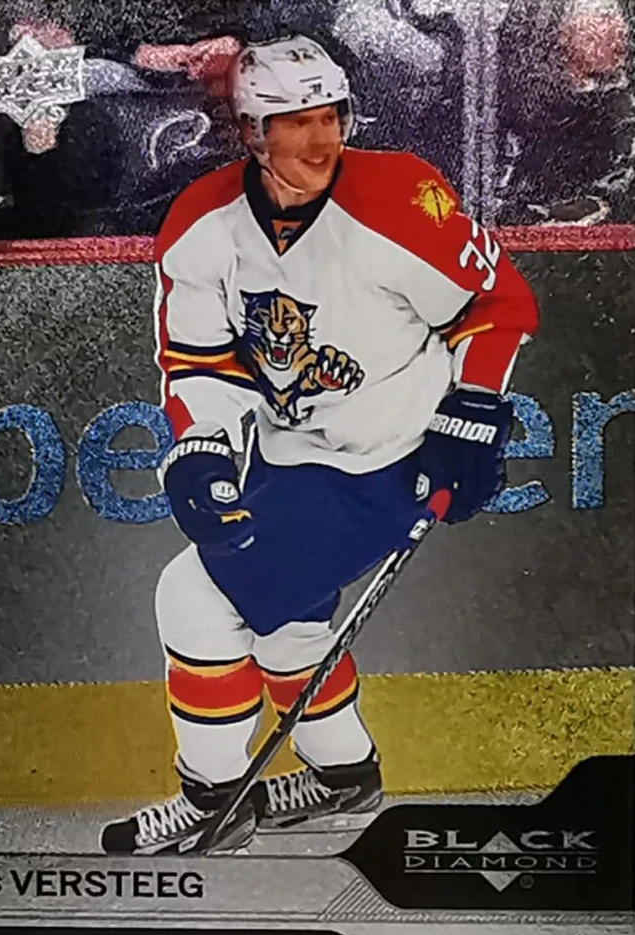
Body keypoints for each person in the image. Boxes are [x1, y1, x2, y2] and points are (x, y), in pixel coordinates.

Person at [101, 34, 539, 856]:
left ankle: (212, 798)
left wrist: (472, 409)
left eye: (330, 116)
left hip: (389, 455)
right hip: (287, 453)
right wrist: (202, 447)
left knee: (194, 596)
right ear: (248, 132)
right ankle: (343, 774)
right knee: (287, 627)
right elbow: (199, 360)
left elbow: (496, 302)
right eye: (292, 122)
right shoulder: (201, 222)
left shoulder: (400, 195)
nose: (318, 139)